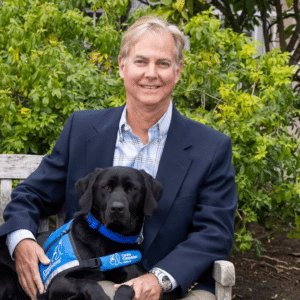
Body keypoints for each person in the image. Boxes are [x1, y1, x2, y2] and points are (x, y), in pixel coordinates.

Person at [0, 15, 237, 300]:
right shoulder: (83, 129)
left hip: (170, 286)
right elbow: (31, 194)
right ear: (122, 66)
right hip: (90, 283)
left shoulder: (210, 148)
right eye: (141, 61)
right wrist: (22, 240)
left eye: (162, 63)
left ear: (178, 70)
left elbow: (215, 233)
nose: (151, 73)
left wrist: (159, 278)